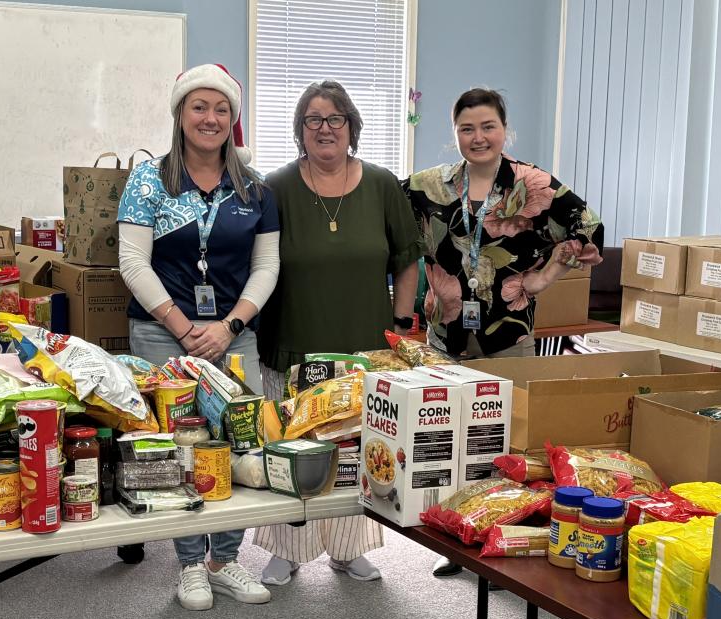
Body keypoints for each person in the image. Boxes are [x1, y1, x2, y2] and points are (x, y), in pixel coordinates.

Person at [403, 87, 602, 577]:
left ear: (504, 129)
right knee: (450, 436)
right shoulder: (430, 185)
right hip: (444, 333)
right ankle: (456, 536)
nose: (478, 137)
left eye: (488, 126)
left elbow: (586, 227)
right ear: (455, 134)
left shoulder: (532, 183)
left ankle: (503, 543)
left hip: (508, 330)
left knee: (505, 440)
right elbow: (383, 216)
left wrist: (542, 278)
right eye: (467, 129)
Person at [115, 63, 280, 610]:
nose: (210, 118)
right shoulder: (150, 181)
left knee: (239, 441)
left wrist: (229, 325)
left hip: (234, 335)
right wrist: (184, 329)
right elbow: (133, 262)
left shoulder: (255, 189)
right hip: (163, 334)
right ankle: (189, 563)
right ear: (180, 114)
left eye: (221, 109)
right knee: (178, 446)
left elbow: (267, 267)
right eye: (198, 107)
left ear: (233, 118)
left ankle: (226, 559)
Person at [253, 80, 422, 586]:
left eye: (335, 119)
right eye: (313, 120)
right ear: (300, 131)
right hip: (294, 344)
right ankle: (286, 549)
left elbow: (407, 259)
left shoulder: (382, 185)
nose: (324, 129)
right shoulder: (275, 187)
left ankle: (349, 548)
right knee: (292, 447)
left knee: (355, 452)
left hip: (365, 348)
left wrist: (400, 325)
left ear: (351, 127)